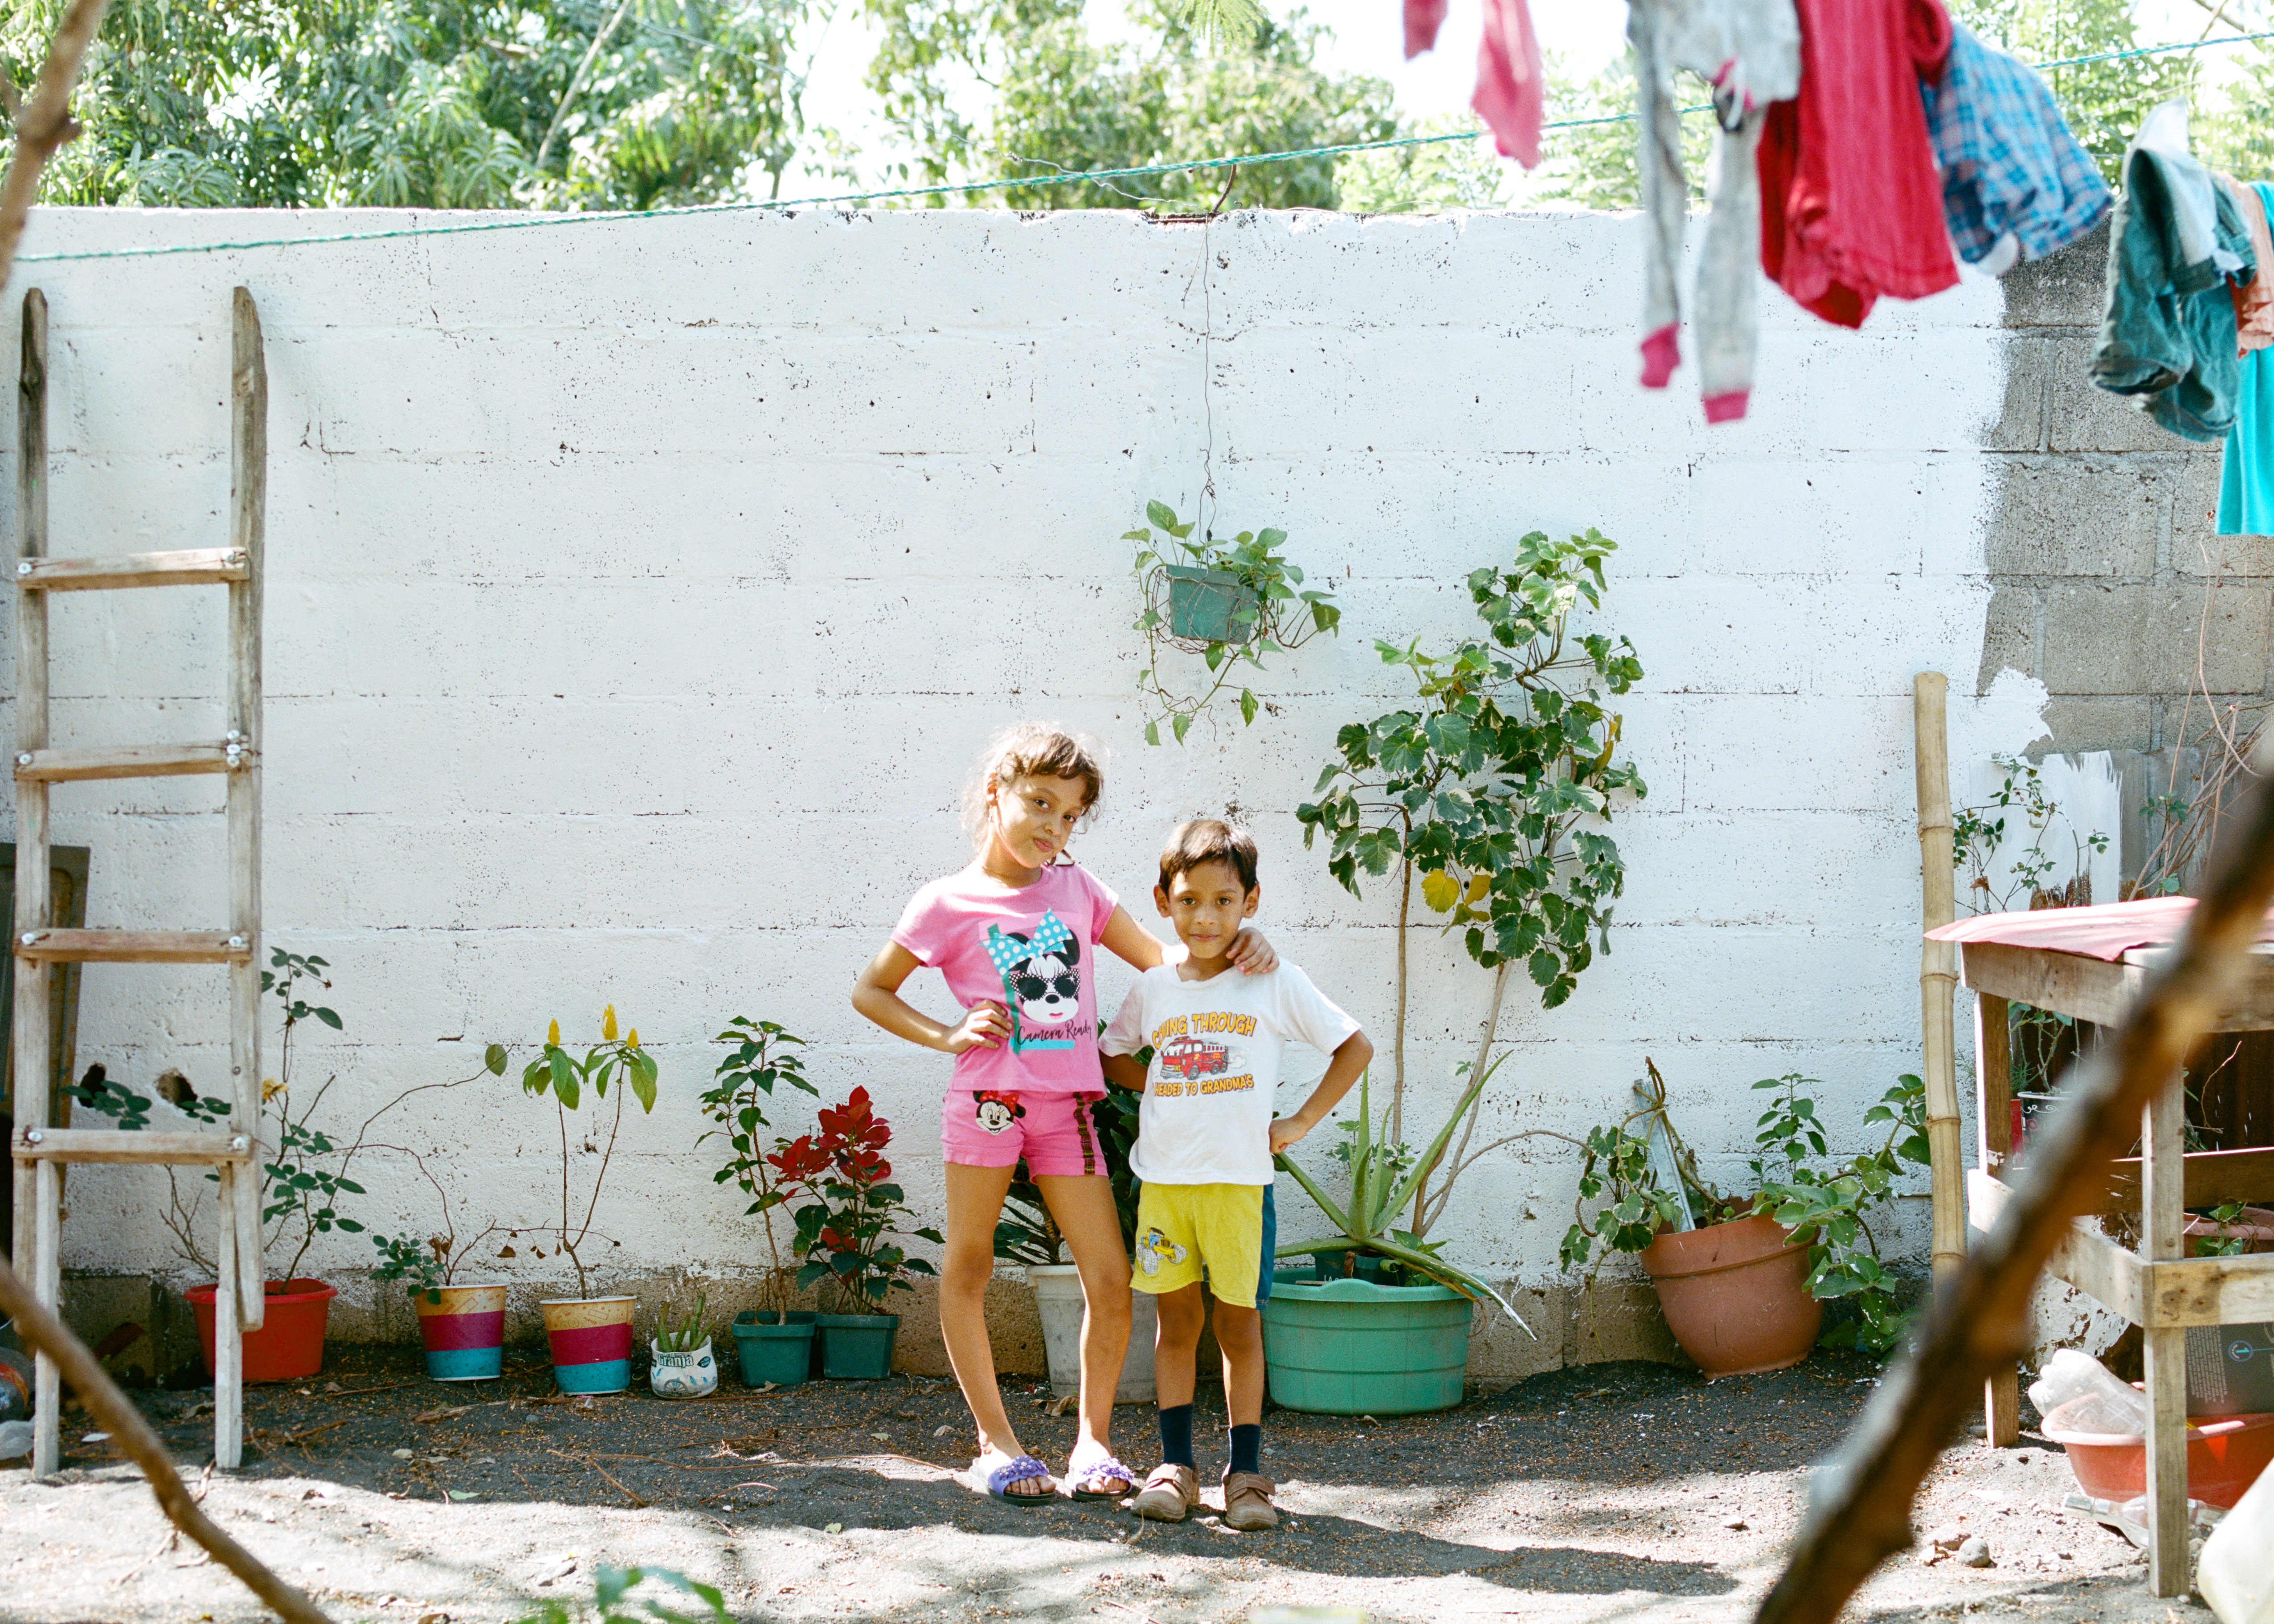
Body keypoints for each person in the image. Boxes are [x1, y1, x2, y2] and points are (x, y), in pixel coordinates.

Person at [850, 725, 1276, 1503]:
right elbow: (871, 991)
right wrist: (947, 1033)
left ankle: (1093, 1443)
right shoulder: (945, 902)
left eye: (1072, 815)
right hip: (985, 1104)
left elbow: (1167, 961)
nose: (1055, 826)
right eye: (1042, 803)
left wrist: (1243, 946)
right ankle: (996, 1444)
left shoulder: (1078, 892)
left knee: (1111, 1278)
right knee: (970, 1267)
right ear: (996, 793)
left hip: (1068, 1109)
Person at [1100, 819, 1372, 1531]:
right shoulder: (1154, 987)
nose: (1206, 916)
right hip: (1165, 1188)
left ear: (1250, 901)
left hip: (1240, 1190)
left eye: (1224, 900)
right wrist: (1164, 1081)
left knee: (1239, 1326)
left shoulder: (1274, 980)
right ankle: (1174, 1467)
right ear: (1163, 900)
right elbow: (1111, 1056)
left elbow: (1355, 1046)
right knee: (1176, 1323)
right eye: (1189, 900)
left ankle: (1245, 1474)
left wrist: (1300, 1121)